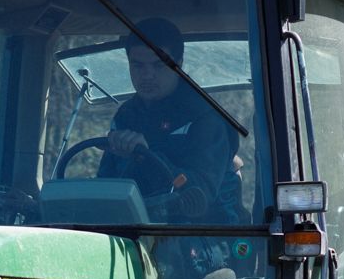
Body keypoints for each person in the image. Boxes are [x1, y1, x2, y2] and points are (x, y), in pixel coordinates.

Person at [96, 17, 241, 222]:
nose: (147, 76)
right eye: (138, 65)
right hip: (135, 229)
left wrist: (147, 158)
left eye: (158, 66)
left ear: (178, 65)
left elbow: (199, 198)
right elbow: (106, 181)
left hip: (200, 237)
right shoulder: (126, 115)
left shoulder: (205, 118)